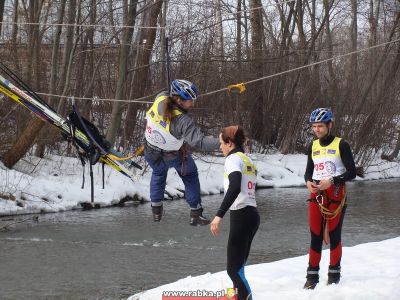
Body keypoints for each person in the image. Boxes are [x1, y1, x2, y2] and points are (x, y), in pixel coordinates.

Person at [144, 79, 219, 225]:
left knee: (159, 173)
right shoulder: (183, 121)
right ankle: (195, 214)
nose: (192, 104)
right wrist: (222, 142)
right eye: (190, 101)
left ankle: (156, 211)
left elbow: (166, 95)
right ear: (178, 100)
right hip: (171, 155)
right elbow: (200, 142)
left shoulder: (160, 97)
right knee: (190, 174)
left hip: (150, 152)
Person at [303, 108, 356, 289]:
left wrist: (332, 180)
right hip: (316, 193)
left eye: (320, 126)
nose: (317, 130)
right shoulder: (312, 145)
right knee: (315, 235)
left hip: (335, 192)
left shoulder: (342, 144)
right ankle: (312, 277)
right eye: (314, 126)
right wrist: (307, 182)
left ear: (330, 125)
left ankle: (334, 275)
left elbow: (352, 172)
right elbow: (309, 171)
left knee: (334, 235)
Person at [210, 125, 259, 300]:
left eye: (221, 143)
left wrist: (219, 215)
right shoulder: (247, 159)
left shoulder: (232, 159)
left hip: (241, 214)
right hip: (251, 214)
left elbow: (235, 186)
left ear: (230, 143)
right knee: (239, 268)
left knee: (233, 270)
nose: (220, 147)